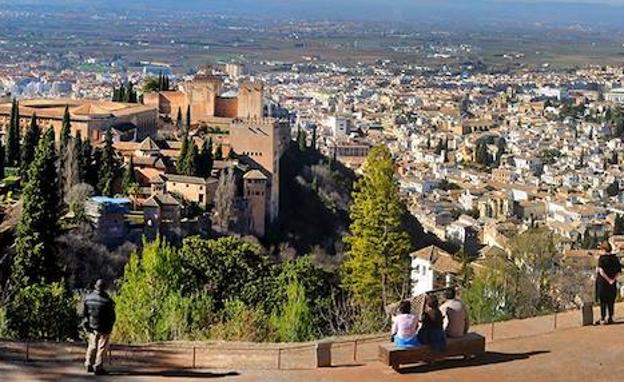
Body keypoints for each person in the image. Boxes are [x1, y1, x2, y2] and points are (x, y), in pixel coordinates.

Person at [83, 279, 116, 375]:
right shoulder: (107, 301)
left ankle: (88, 363)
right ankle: (98, 366)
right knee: (101, 347)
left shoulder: (88, 298)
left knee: (92, 345)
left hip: (92, 326)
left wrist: (86, 324)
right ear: (104, 288)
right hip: (104, 327)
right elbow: (112, 316)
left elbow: (84, 313)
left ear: (95, 287)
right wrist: (110, 326)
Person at [595, 242, 622, 325]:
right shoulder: (615, 258)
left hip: (602, 283)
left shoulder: (602, 258)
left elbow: (601, 271)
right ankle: (610, 317)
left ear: (603, 249)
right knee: (611, 301)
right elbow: (618, 271)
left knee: (603, 301)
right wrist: (613, 279)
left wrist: (608, 279)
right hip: (612, 283)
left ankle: (603, 318)